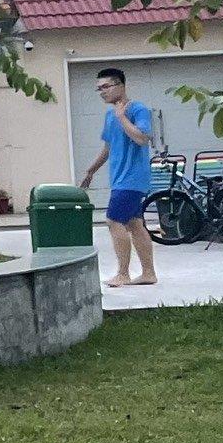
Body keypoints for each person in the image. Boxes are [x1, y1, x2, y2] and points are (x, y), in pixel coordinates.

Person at [77, 66, 159, 288]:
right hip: (120, 179)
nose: (102, 92)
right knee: (135, 224)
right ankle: (148, 273)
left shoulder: (138, 109)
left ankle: (123, 274)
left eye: (106, 87)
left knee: (113, 221)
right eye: (99, 89)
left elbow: (142, 138)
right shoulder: (109, 115)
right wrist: (91, 170)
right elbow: (108, 147)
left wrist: (122, 117)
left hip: (132, 179)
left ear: (120, 86)